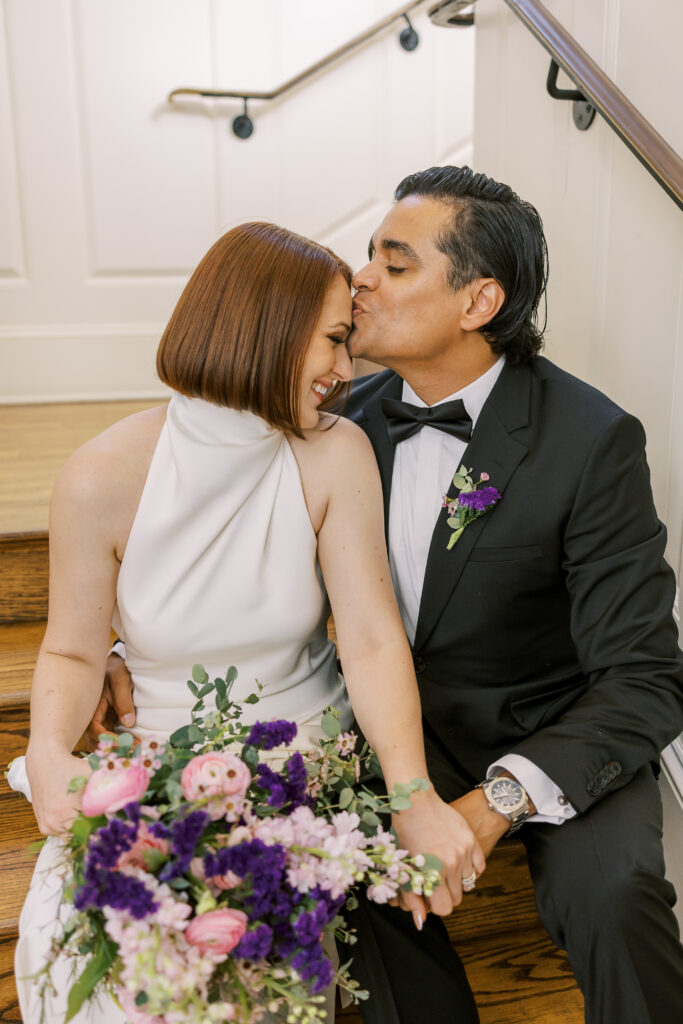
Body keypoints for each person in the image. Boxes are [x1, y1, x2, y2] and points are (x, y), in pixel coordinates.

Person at [99, 167, 683, 1023]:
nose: (360, 277)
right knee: (355, 899)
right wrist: (133, 650)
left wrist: (492, 807)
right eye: (370, 253)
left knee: (615, 895)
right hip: (377, 732)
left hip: (553, 725)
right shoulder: (328, 417)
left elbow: (644, 676)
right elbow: (207, 538)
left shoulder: (592, 440)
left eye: (395, 263)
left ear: (478, 301)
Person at [11, 221, 483, 1023]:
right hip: (154, 772)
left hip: (301, 768)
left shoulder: (335, 454)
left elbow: (369, 640)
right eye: (333, 341)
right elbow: (68, 647)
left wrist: (409, 793)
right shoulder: (99, 475)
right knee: (98, 962)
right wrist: (48, 749)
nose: (344, 369)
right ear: (266, 330)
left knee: (248, 972)